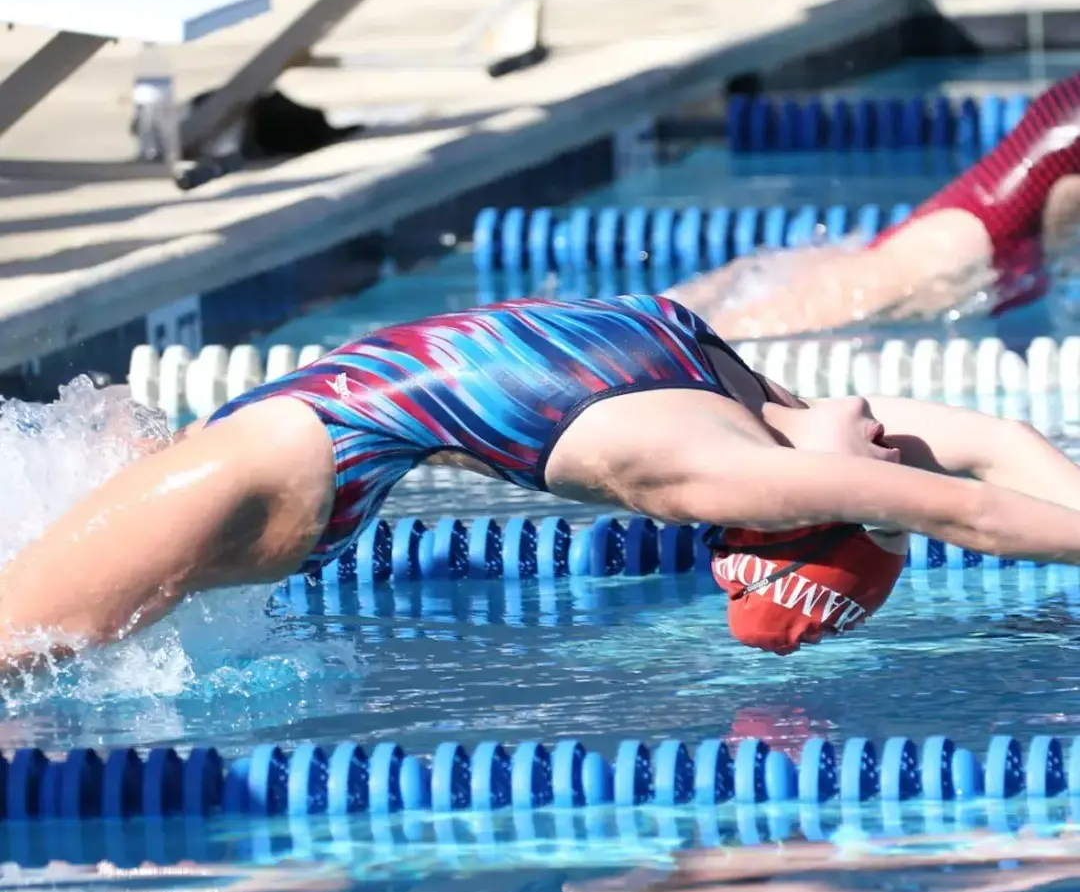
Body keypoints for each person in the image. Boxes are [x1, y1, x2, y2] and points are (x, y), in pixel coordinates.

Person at [6, 290, 1080, 675]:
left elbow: (973, 510)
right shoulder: (766, 408)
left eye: (882, 506)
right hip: (281, 425)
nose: (898, 450)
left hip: (278, 470)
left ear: (811, 511)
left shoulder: (732, 471)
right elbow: (1000, 446)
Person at [667, 71, 1080, 338]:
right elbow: (1064, 200)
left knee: (772, 279)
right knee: (749, 330)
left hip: (959, 216)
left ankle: (645, 316)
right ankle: (647, 343)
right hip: (968, 248)